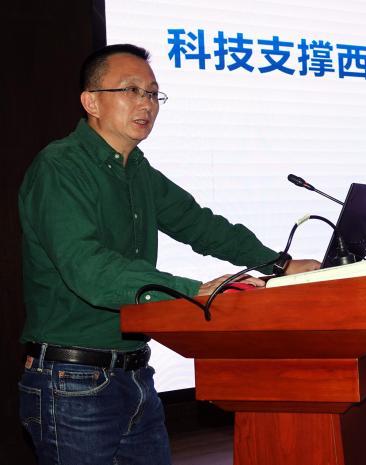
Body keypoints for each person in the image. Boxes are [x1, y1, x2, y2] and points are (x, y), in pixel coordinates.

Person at [17, 43, 320, 465]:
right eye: (131, 90)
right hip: (73, 381)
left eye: (153, 93)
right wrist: (193, 292)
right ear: (91, 102)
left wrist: (280, 265)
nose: (146, 103)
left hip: (135, 373)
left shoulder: (137, 170)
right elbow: (91, 270)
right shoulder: (60, 168)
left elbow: (201, 225)